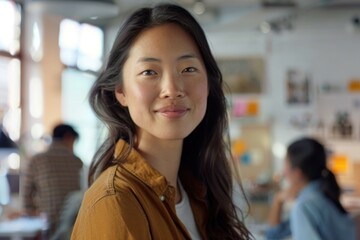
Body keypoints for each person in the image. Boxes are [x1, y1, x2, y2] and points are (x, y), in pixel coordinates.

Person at [71, 3, 251, 240]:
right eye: (149, 72)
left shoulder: (197, 191)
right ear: (121, 91)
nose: (172, 90)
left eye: (188, 68)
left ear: (208, 84)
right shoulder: (116, 202)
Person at [265, 137, 356, 240]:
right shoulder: (324, 195)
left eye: (285, 164)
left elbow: (271, 236)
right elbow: (274, 235)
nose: (283, 172)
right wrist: (278, 200)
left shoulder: (305, 205)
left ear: (297, 173)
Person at [22, 123, 83, 236]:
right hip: (73, 223)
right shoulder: (77, 161)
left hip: (47, 222)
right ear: (68, 137)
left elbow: (26, 191)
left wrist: (30, 211)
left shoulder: (37, 160)